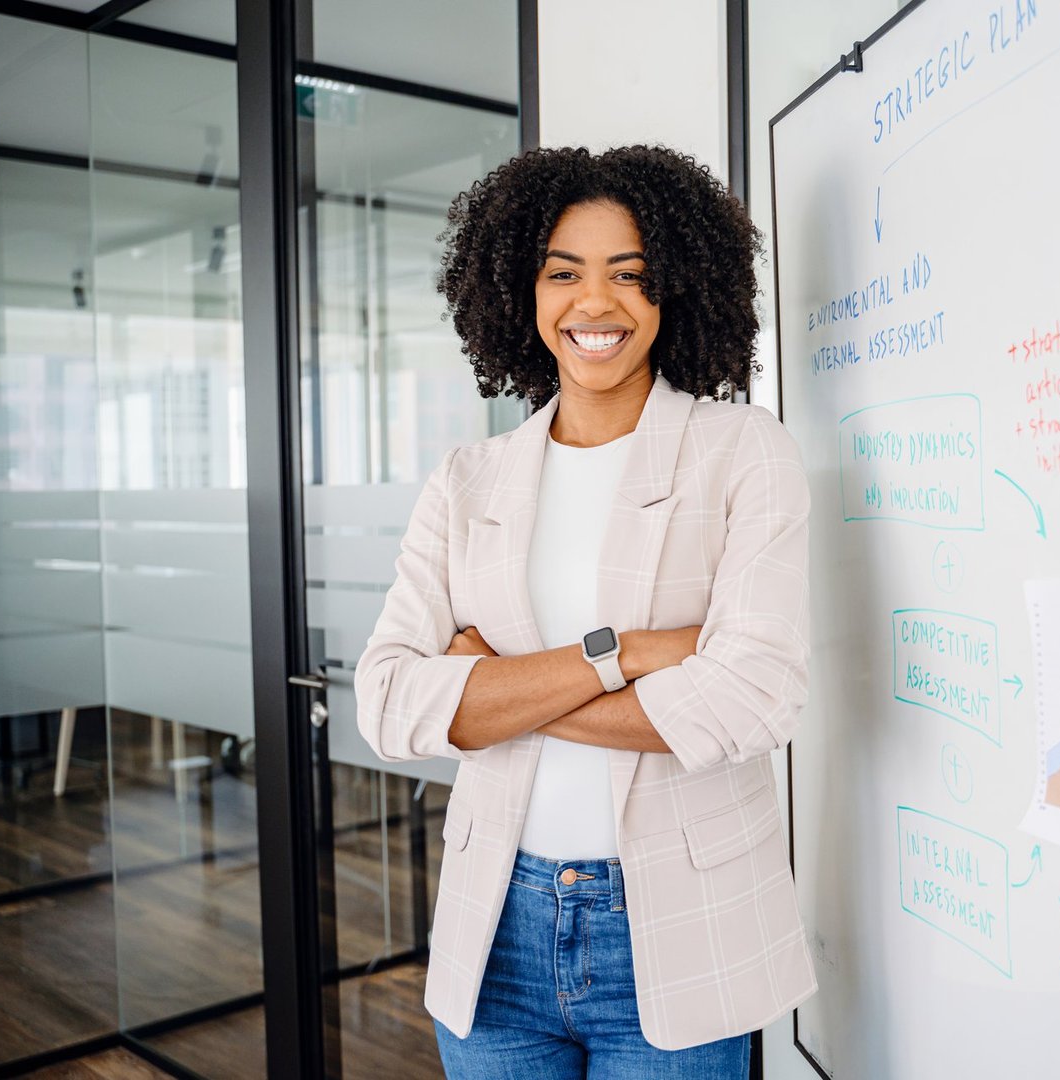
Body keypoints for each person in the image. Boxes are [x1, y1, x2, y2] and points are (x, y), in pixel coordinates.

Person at [355, 144, 814, 1078]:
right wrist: (632, 654)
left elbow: (754, 701)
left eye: (629, 277)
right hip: (497, 933)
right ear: (521, 292)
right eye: (563, 274)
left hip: (676, 930)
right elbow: (390, 703)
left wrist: (491, 689)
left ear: (673, 293)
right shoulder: (467, 479)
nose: (593, 304)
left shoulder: (742, 452)